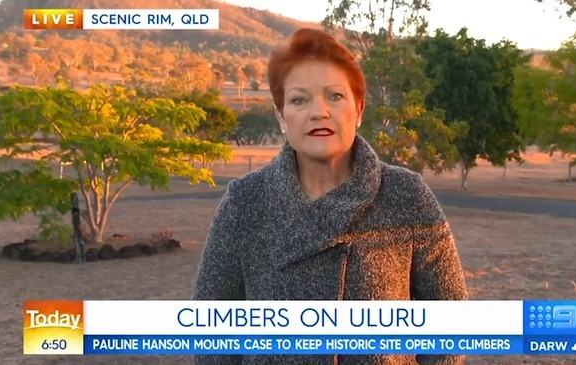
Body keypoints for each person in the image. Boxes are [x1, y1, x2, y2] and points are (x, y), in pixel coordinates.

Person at [192, 28, 468, 365]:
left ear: (360, 110)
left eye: (334, 96)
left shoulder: (407, 195)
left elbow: (450, 322)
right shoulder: (244, 202)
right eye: (298, 99)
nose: (318, 111)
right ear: (282, 117)